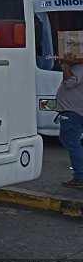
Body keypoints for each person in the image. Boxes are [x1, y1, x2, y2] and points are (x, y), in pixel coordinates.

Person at [55, 58, 83, 188]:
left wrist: (66, 65)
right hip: (73, 112)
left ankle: (80, 177)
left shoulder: (80, 68)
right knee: (67, 140)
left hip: (73, 112)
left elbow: (69, 83)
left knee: (72, 143)